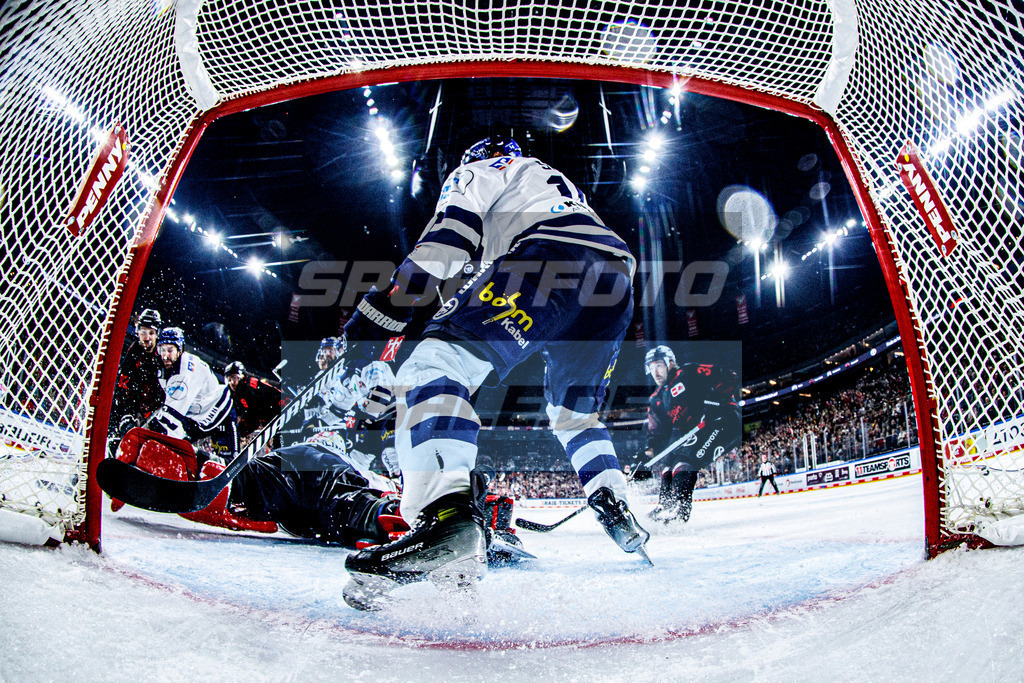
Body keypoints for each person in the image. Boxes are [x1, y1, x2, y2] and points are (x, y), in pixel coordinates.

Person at [341, 134, 646, 608]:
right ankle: (610, 496)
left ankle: (446, 521)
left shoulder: (484, 170)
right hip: (614, 280)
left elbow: (450, 236)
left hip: (551, 256)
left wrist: (387, 306)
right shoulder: (551, 186)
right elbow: (469, 289)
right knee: (574, 415)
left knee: (435, 362)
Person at [643, 344, 740, 523]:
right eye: (651, 367)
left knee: (684, 461)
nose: (655, 372)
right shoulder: (657, 398)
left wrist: (715, 400)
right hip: (693, 432)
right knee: (667, 461)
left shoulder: (688, 373)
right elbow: (657, 432)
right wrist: (648, 450)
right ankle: (665, 505)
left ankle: (681, 508)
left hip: (723, 421)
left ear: (670, 364)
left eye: (659, 365)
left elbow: (728, 376)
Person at [150, 326, 238, 456]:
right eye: (162, 350)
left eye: (170, 350)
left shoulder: (185, 372)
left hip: (220, 411)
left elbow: (172, 414)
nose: (165, 355)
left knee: (230, 463)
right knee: (177, 445)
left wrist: (149, 430)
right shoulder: (163, 368)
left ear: (179, 350)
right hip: (195, 413)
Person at [109, 308, 165, 448]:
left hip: (155, 411)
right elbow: (123, 386)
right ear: (138, 332)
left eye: (151, 333)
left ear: (157, 334)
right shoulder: (134, 351)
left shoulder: (163, 355)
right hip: (134, 408)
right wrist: (128, 414)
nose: (147, 338)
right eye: (143, 332)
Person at [224, 360, 284, 445]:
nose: (231, 383)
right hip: (272, 418)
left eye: (234, 378)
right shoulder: (238, 393)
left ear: (242, 376)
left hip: (280, 410)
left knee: (281, 443)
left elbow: (253, 416)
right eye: (229, 380)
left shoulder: (250, 387)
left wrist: (239, 431)